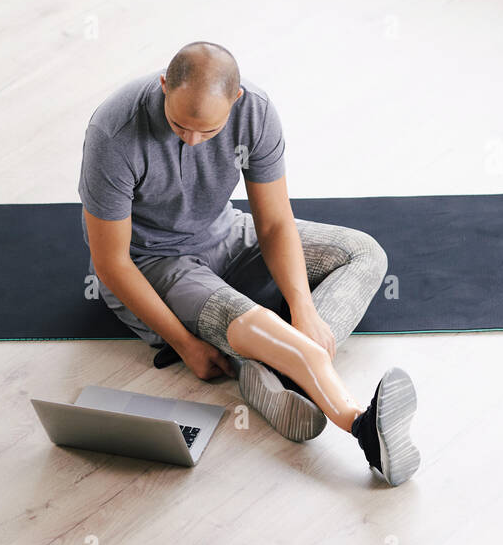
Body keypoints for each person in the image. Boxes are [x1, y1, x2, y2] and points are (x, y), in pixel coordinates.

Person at [78, 41, 420, 486]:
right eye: (181, 125)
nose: (192, 139)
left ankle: (276, 375)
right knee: (238, 316)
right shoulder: (114, 132)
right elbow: (112, 263)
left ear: (235, 102)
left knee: (364, 253)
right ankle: (359, 423)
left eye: (208, 131)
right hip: (155, 263)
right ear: (164, 86)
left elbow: (277, 223)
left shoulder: (255, 111)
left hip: (228, 234)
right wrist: (183, 343)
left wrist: (304, 308)